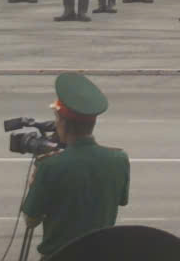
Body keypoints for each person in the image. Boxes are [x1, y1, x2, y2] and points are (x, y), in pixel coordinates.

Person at [20, 72, 129, 258]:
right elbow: (121, 200)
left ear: (63, 122)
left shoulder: (50, 165)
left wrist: (35, 183)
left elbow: (31, 220)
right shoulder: (119, 159)